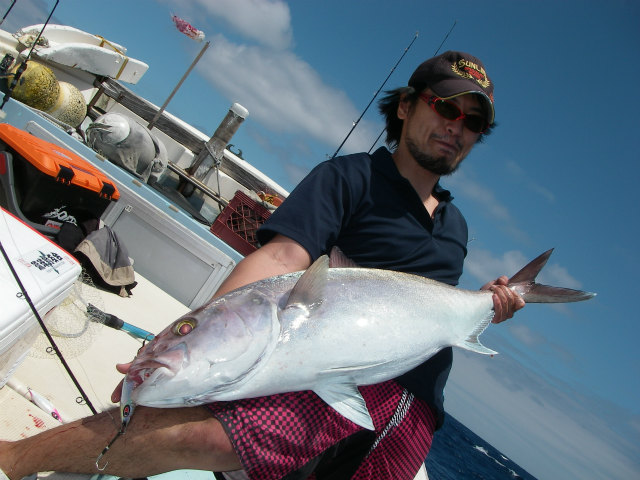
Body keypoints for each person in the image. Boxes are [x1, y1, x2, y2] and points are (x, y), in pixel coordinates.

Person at [0, 50, 524, 480]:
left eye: (472, 122)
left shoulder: (455, 228)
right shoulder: (350, 178)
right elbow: (280, 258)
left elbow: (433, 310)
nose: (457, 127)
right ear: (407, 106)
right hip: (329, 366)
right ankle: (15, 458)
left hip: (414, 402)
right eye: (445, 107)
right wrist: (182, 339)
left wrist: (487, 304)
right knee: (205, 435)